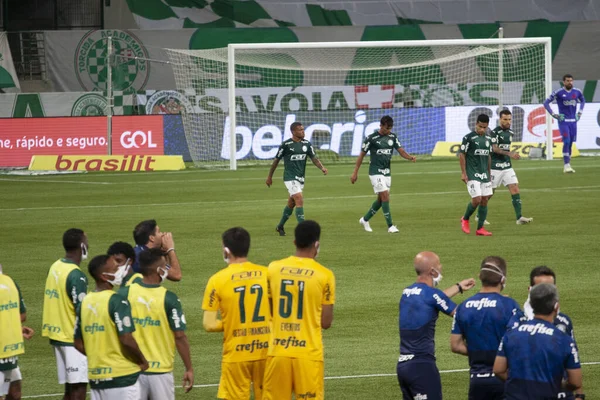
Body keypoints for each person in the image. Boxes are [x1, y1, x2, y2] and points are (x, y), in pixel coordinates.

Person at [263, 220, 335, 400]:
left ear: (294, 242)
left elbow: (270, 311)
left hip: (278, 353)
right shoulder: (324, 275)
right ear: (316, 244)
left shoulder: (273, 268)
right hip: (308, 354)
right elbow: (326, 322)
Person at [202, 227, 271, 400]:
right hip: (267, 351)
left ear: (226, 250)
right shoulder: (267, 274)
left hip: (236, 354)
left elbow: (209, 325)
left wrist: (233, 321)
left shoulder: (217, 280)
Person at [396, 251, 475, 400]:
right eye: (439, 265)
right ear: (433, 271)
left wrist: (458, 287)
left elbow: (431, 299)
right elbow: (460, 314)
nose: (441, 267)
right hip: (421, 366)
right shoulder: (432, 295)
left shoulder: (407, 292)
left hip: (403, 367)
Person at [118, 248, 193, 399]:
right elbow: (179, 336)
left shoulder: (124, 294)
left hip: (132, 370)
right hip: (160, 372)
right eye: (165, 266)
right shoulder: (169, 298)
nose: (167, 270)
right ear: (159, 270)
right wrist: (189, 368)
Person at [74, 254, 148, 400]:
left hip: (97, 377)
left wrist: (99, 356)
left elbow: (77, 343)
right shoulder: (117, 301)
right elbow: (126, 338)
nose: (120, 270)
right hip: (122, 377)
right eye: (115, 268)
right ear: (104, 276)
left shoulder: (84, 303)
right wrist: (142, 360)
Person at [493, 283, 583, 399]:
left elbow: (498, 370)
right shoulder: (563, 339)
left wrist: (518, 384)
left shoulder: (511, 334)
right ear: (556, 307)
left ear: (532, 305)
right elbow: (575, 382)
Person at [450, 256, 521, 400]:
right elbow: (519, 343)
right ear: (502, 279)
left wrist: (478, 352)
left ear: (480, 277)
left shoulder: (464, 306)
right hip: (505, 378)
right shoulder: (509, 305)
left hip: (477, 380)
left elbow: (455, 345)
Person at [518, 266, 582, 400]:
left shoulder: (564, 322)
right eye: (540, 288)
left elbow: (573, 359)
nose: (545, 293)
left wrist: (579, 395)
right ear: (530, 290)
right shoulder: (517, 322)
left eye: (549, 288)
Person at [41, 228, 90, 400]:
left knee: (70, 390)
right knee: (78, 389)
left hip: (57, 334)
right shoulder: (76, 275)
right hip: (72, 339)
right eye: (87, 241)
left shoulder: (56, 266)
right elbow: (81, 310)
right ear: (82, 246)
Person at [350, 115, 416, 233]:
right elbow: (361, 155)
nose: (388, 131)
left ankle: (365, 219)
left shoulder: (392, 137)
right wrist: (355, 172)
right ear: (380, 126)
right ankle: (390, 226)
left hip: (387, 172)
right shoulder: (371, 138)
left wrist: (410, 157)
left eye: (390, 128)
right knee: (385, 196)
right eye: (386, 128)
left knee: (381, 200)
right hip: (375, 171)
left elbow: (400, 150)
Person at [266, 122, 328, 237]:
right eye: (300, 130)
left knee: (291, 203)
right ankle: (303, 231)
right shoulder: (286, 145)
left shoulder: (307, 144)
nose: (303, 131)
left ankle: (280, 226)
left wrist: (322, 168)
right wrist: (270, 176)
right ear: (293, 132)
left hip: (300, 178)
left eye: (303, 129)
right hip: (289, 177)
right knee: (299, 198)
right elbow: (276, 161)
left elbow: (314, 158)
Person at [486, 109, 533, 225]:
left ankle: (519, 218)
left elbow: (505, 148)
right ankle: (479, 215)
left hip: (507, 166)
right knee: (489, 193)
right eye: (505, 119)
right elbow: (495, 149)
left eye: (509, 119)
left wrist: (510, 154)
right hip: (494, 167)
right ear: (500, 119)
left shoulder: (510, 133)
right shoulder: (494, 132)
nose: (508, 122)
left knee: (515, 188)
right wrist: (510, 153)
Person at [0, 264, 34, 400]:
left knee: (14, 391)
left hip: (8, 348)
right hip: (5, 348)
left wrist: (14, 328)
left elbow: (21, 314)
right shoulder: (9, 282)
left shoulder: (9, 282)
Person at [543, 74, 585, 173]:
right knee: (566, 141)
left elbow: (583, 100)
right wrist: (554, 115)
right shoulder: (559, 93)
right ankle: (566, 165)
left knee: (570, 143)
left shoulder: (577, 92)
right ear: (563, 82)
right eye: (567, 81)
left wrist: (580, 112)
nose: (569, 82)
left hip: (573, 122)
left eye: (571, 80)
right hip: (563, 122)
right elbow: (546, 103)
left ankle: (568, 164)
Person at [459, 114, 493, 236]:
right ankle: (465, 218)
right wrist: (463, 173)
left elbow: (488, 156)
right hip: (472, 173)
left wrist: (489, 173)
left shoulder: (489, 139)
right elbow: (462, 154)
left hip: (484, 174)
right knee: (477, 199)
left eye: (484, 127)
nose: (482, 129)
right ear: (476, 124)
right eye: (480, 126)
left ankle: (480, 229)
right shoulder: (468, 138)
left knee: (484, 200)